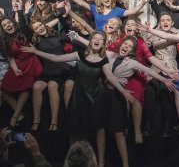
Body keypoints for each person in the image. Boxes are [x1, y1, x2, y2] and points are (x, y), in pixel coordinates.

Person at [21, 31, 134, 167]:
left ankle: (95, 162)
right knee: (74, 131)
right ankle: (70, 162)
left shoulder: (103, 60)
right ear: (91, 41)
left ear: (103, 44)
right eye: (95, 38)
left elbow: (110, 77)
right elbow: (55, 58)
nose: (97, 40)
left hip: (93, 99)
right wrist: (35, 51)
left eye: (101, 39)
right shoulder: (79, 55)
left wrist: (123, 91)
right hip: (78, 98)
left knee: (93, 131)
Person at [0, 15, 42, 128]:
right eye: (4, 25)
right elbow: (10, 57)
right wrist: (14, 69)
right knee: (4, 87)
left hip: (30, 62)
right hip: (18, 64)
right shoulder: (6, 40)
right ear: (3, 29)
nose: (7, 26)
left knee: (25, 86)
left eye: (9, 23)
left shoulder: (22, 31)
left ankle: (15, 116)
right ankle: (19, 114)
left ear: (13, 22)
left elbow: (33, 46)